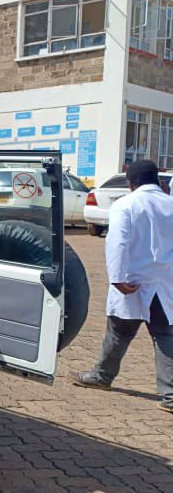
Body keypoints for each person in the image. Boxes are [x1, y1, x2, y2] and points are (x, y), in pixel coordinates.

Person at [73, 160, 173, 410]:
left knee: (119, 332)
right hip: (164, 283)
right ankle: (171, 395)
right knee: (164, 335)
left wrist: (117, 278)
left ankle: (102, 376)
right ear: (158, 181)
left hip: (132, 282)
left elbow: (117, 242)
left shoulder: (125, 205)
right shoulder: (171, 204)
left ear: (131, 183)